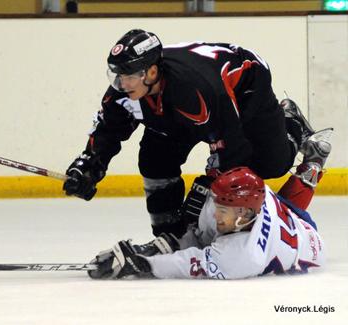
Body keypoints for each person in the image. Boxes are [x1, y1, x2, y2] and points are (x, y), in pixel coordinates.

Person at [63, 29, 326, 237]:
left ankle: (291, 123)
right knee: (155, 159)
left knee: (270, 165)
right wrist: (90, 165)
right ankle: (168, 232)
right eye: (117, 75)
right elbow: (109, 129)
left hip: (245, 84)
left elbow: (232, 149)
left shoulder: (196, 92)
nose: (121, 83)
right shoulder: (126, 90)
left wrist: (212, 189)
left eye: (129, 75)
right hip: (179, 106)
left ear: (152, 71)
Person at [87, 130, 332, 280]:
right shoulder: (246, 198)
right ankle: (311, 165)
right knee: (205, 193)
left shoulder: (241, 257)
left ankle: (309, 163)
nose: (217, 215)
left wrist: (142, 263)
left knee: (292, 213)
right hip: (285, 215)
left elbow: (187, 264)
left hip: (307, 243)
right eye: (219, 207)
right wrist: (165, 243)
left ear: (245, 213)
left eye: (223, 211)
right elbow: (196, 236)